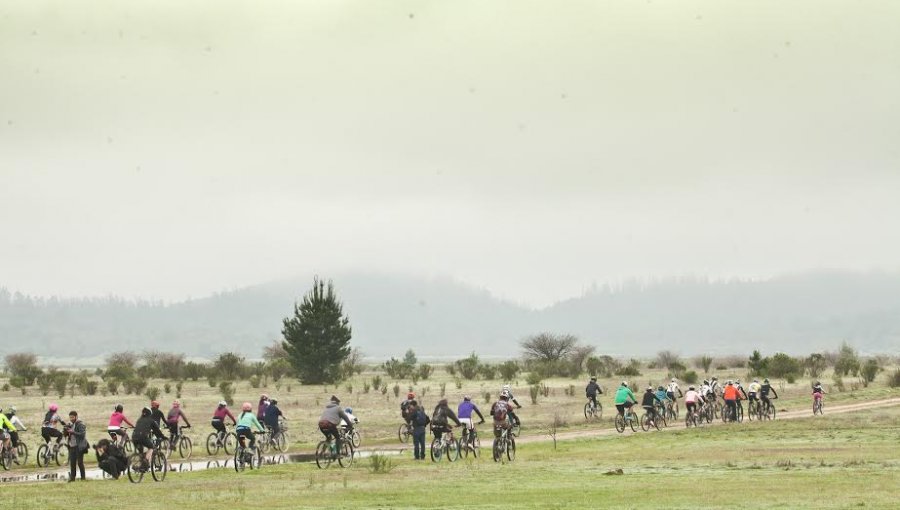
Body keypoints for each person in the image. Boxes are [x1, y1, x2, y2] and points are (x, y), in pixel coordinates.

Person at [64, 410, 88, 482]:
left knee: (80, 462)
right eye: (70, 417)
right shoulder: (71, 424)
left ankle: (83, 478)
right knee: (72, 463)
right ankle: (72, 478)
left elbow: (82, 435)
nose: (71, 419)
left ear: (76, 416)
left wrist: (72, 432)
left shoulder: (81, 424)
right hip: (72, 446)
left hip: (79, 446)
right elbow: (68, 435)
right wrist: (66, 431)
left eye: (72, 417)